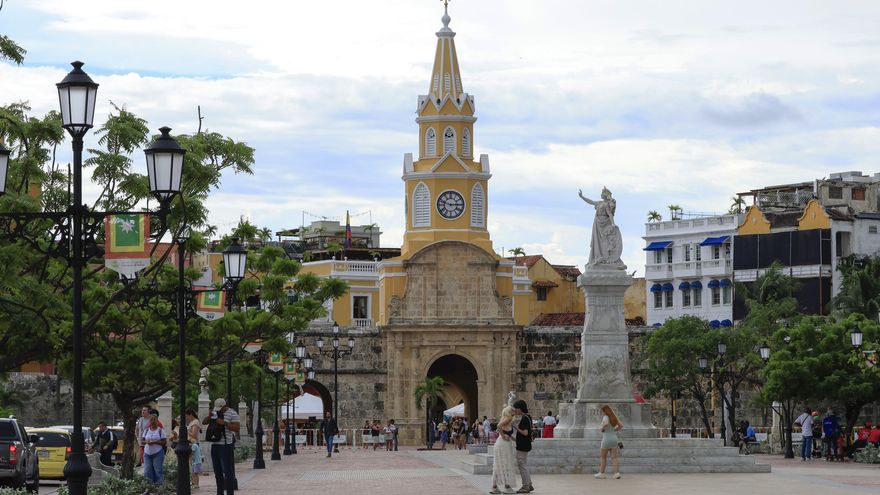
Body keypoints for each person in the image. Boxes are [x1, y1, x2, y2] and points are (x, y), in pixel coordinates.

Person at [578, 187, 625, 269]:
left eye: (602, 193)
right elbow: (591, 201)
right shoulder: (599, 203)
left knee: (605, 241)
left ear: (605, 195)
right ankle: (597, 257)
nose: (601, 194)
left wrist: (613, 223)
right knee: (597, 242)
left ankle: (605, 258)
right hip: (597, 223)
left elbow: (610, 214)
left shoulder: (606, 204)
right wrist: (582, 197)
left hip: (605, 222)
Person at [204, 398, 240, 494]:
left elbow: (237, 428)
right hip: (215, 445)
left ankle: (229, 492)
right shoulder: (215, 412)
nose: (219, 410)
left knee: (227, 471)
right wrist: (209, 416)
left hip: (226, 445)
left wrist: (225, 423)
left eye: (221, 408)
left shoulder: (232, 413)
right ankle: (219, 492)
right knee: (217, 472)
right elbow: (204, 422)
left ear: (225, 406)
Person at [489, 406, 518, 495]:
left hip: (500, 443)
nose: (514, 411)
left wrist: (514, 439)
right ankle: (507, 486)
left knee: (498, 464)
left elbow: (506, 432)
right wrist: (503, 435)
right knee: (506, 463)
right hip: (503, 444)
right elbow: (498, 426)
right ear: (509, 411)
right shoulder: (508, 418)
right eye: (513, 410)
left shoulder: (506, 418)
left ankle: (494, 486)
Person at [594, 404, 622, 480]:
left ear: (605, 411)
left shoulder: (606, 417)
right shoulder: (614, 417)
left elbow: (606, 424)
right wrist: (614, 430)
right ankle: (616, 473)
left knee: (603, 457)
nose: (602, 412)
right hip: (614, 438)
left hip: (606, 438)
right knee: (614, 457)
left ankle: (602, 473)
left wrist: (602, 428)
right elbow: (621, 426)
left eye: (602, 411)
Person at [512, 399, 534, 494]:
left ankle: (526, 486)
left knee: (522, 465)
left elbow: (525, 433)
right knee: (523, 465)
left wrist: (516, 427)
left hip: (523, 446)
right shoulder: (527, 417)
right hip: (524, 444)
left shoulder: (525, 418)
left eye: (516, 408)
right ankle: (528, 484)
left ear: (520, 408)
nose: (515, 410)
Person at [141, 412, 167, 485]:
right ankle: (149, 486)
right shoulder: (146, 430)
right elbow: (142, 441)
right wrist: (146, 442)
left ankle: (159, 487)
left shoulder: (160, 430)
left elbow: (164, 442)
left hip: (157, 453)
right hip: (147, 453)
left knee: (158, 470)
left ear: (157, 421)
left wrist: (155, 442)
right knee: (147, 470)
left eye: (154, 420)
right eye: (151, 420)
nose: (152, 422)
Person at [186, 409, 202, 490]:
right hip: (190, 444)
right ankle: (193, 482)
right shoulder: (191, 423)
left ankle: (196, 483)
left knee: (193, 465)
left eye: (187, 415)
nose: (186, 417)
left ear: (190, 414)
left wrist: (186, 431)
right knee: (191, 465)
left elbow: (194, 435)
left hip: (193, 444)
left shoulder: (195, 422)